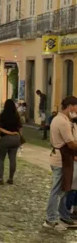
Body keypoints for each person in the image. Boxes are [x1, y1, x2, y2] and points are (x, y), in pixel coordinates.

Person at [44, 96, 77, 231]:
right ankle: (50, 218)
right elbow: (70, 143)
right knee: (57, 190)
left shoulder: (60, 119)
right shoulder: (62, 122)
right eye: (76, 107)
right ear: (70, 106)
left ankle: (62, 215)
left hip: (61, 158)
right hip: (61, 159)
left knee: (64, 188)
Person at [0, 99, 22, 185]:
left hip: (5, 138)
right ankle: (11, 178)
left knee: (1, 158)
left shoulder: (3, 115)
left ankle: (0, 178)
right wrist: (19, 137)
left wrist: (9, 133)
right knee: (13, 159)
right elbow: (20, 127)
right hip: (16, 138)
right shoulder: (17, 115)